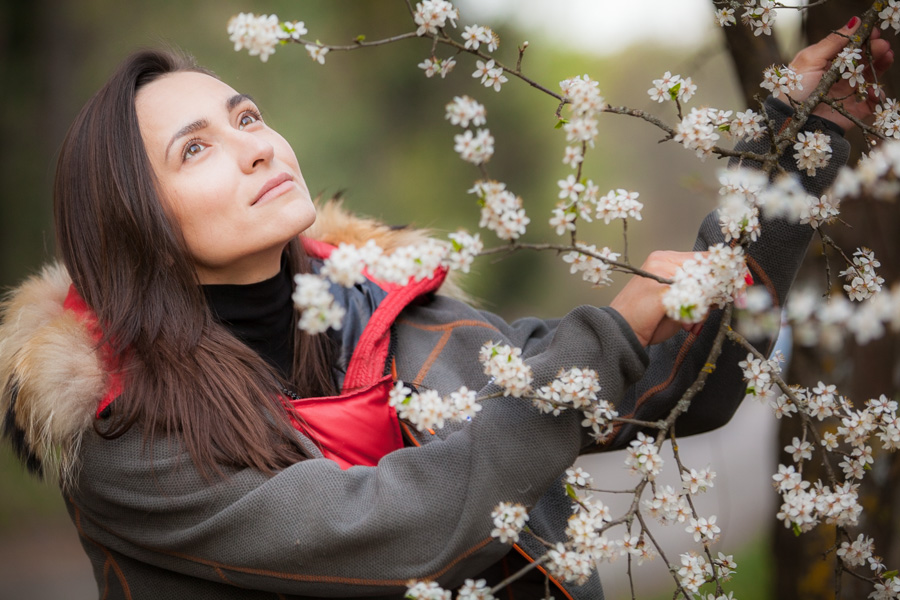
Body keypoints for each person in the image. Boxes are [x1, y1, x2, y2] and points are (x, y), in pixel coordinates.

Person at [0, 17, 891, 600]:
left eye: (247, 116)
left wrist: (800, 143)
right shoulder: (122, 436)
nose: (255, 148)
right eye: (196, 149)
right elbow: (395, 527)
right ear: (137, 225)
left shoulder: (399, 315)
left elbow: (673, 387)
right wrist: (608, 329)